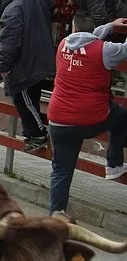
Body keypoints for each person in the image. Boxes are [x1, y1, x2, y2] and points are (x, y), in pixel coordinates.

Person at [47, 16, 127, 220]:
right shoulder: (105, 50)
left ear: (73, 28)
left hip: (59, 120)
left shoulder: (64, 43)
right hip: (91, 119)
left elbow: (88, 38)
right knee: (121, 116)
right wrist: (111, 27)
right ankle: (114, 164)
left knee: (61, 170)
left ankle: (56, 214)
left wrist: (109, 26)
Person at [0, 0, 56, 153]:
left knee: (24, 98)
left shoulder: (13, 8)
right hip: (41, 57)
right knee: (30, 97)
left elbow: (9, 41)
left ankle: (37, 133)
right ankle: (31, 134)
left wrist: (3, 66)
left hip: (27, 62)